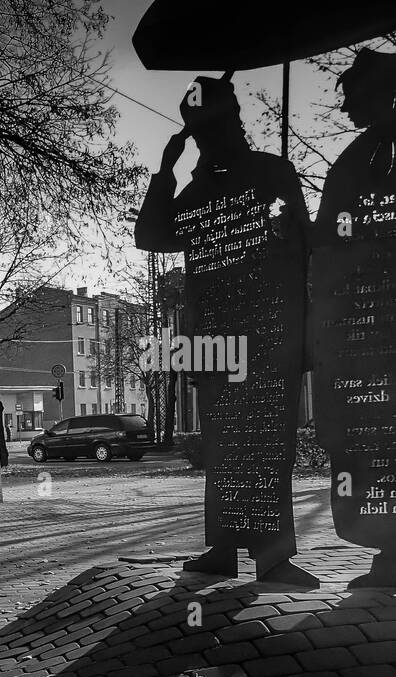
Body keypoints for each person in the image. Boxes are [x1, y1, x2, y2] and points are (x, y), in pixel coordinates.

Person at [135, 75, 316, 587]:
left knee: (267, 445)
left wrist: (303, 332)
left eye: (212, 128)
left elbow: (305, 249)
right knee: (225, 446)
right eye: (198, 133)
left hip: (268, 334)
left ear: (234, 124)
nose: (208, 139)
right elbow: (150, 235)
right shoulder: (197, 193)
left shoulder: (272, 173)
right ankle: (222, 548)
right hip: (216, 343)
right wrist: (165, 171)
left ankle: (273, 558)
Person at [311, 49, 396, 588]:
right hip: (360, 333)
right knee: (366, 447)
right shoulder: (351, 161)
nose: (345, 109)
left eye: (353, 97)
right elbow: (328, 243)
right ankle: (386, 549)